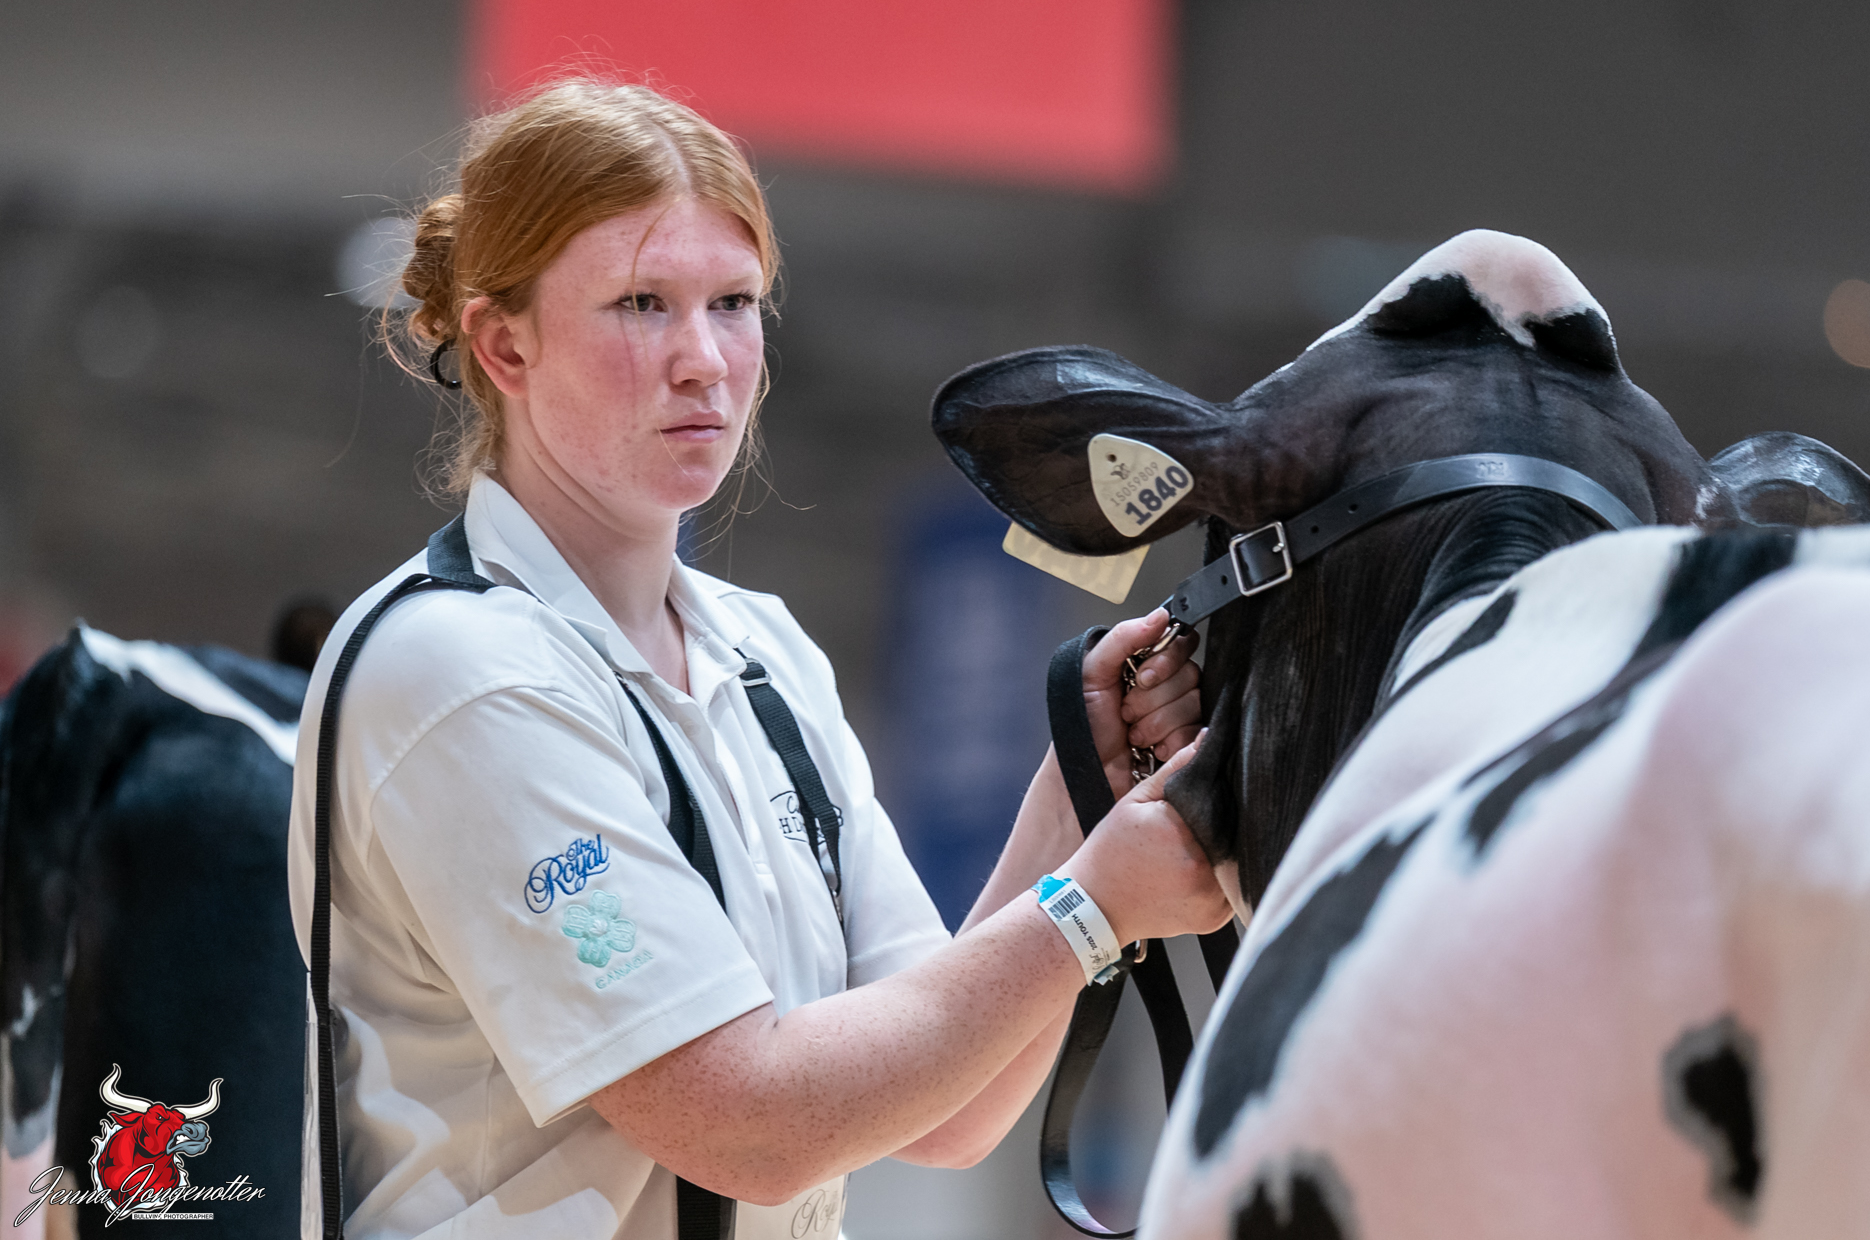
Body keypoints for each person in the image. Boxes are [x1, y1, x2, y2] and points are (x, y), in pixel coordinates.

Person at [285, 79, 1230, 1240]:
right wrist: (1094, 903)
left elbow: (948, 1106)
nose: (703, 360)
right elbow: (748, 1125)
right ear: (504, 343)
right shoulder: (458, 672)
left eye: (732, 303)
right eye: (641, 304)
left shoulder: (765, 650)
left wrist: (1078, 798)